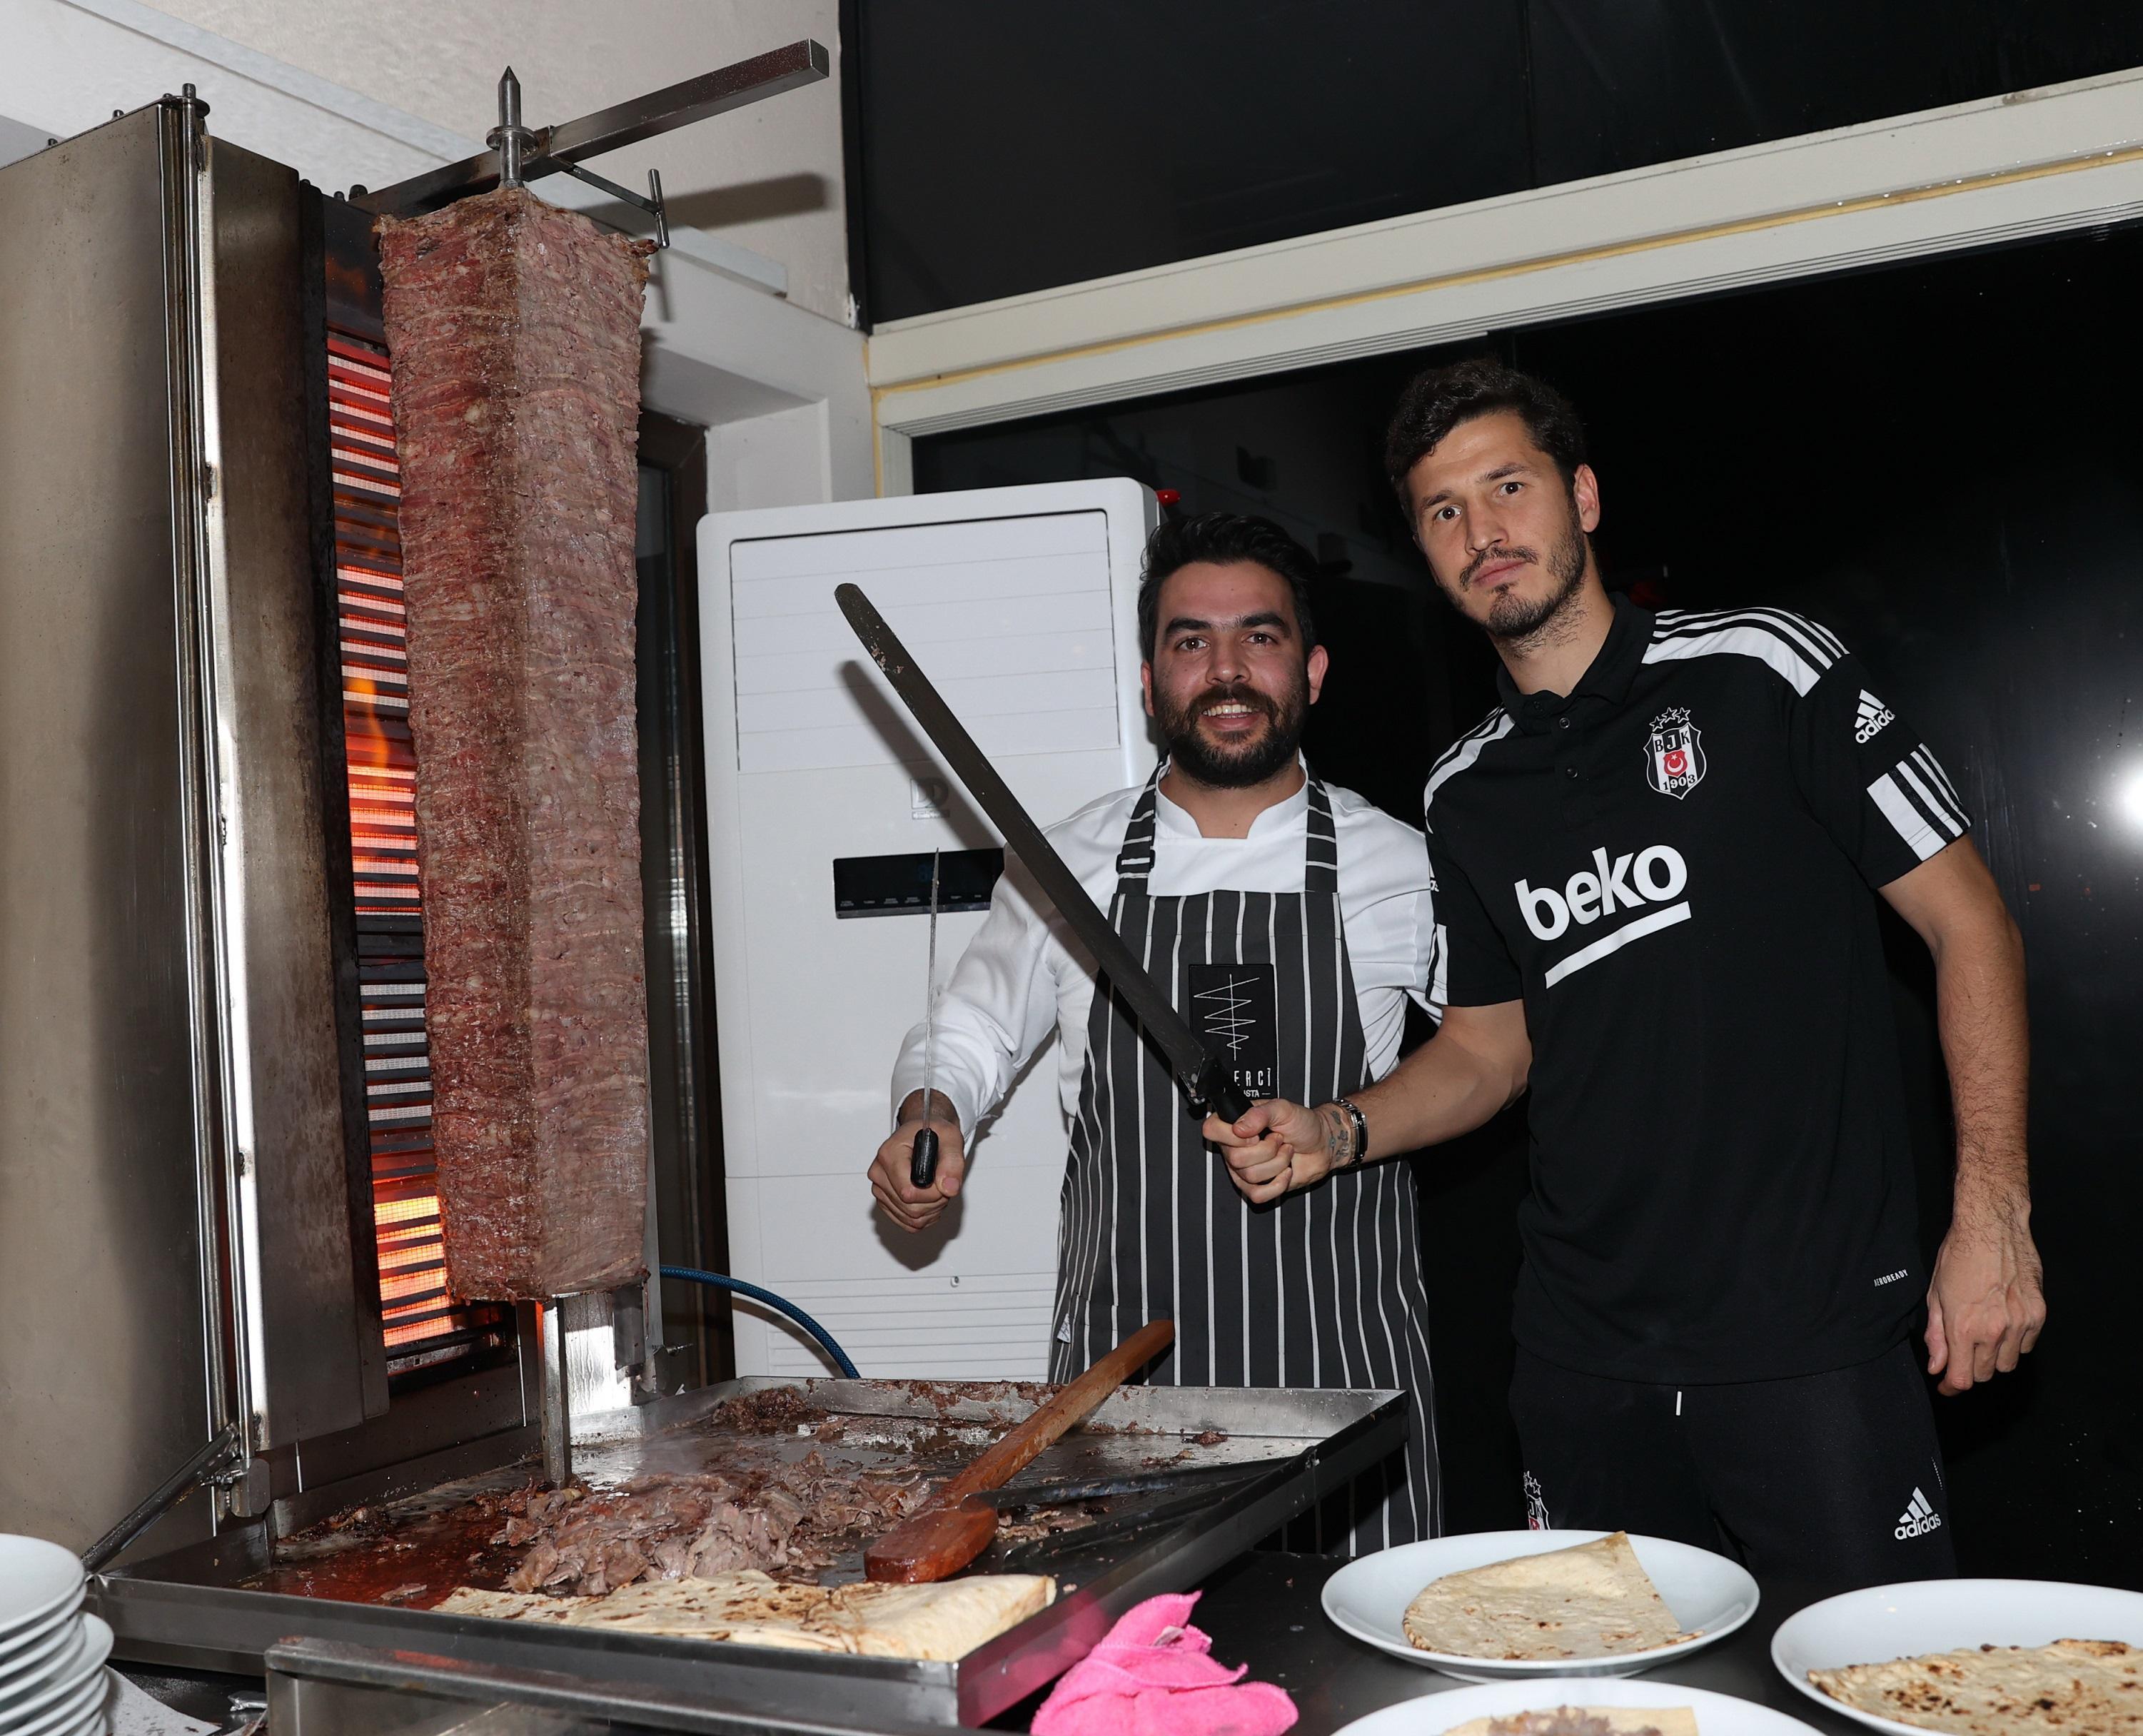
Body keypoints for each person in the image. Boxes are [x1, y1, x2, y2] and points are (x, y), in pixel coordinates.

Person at [1206, 360, 2045, 1586]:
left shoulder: (1761, 669)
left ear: (1583, 497)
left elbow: (1970, 925)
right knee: (1607, 1684)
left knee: (1869, 1675)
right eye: (1443, 510)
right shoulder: (1463, 792)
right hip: (1581, 1357)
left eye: (1508, 486)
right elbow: (1487, 1049)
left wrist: (1993, 1220)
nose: (1482, 531)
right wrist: (1338, 1130)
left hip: (1808, 1339)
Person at [869, 512, 1442, 1550]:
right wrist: (932, 1112)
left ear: (1312, 671)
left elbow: (1491, 1058)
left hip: (1347, 1380)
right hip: (1125, 1392)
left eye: (1259, 636)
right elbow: (968, 1030)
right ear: (1149, 681)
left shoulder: (1400, 864)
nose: (1226, 671)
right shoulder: (1068, 864)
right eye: (1191, 641)